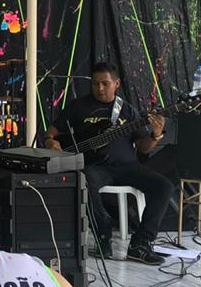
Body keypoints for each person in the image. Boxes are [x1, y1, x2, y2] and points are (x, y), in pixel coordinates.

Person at [45, 61, 172, 265]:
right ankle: (103, 233)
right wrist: (51, 141)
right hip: (95, 167)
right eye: (95, 83)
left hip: (128, 167)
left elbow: (144, 148)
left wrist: (156, 135)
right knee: (84, 180)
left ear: (117, 83)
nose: (100, 88)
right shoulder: (78, 106)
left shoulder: (127, 111)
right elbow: (51, 131)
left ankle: (141, 244)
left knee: (164, 186)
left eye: (105, 83)